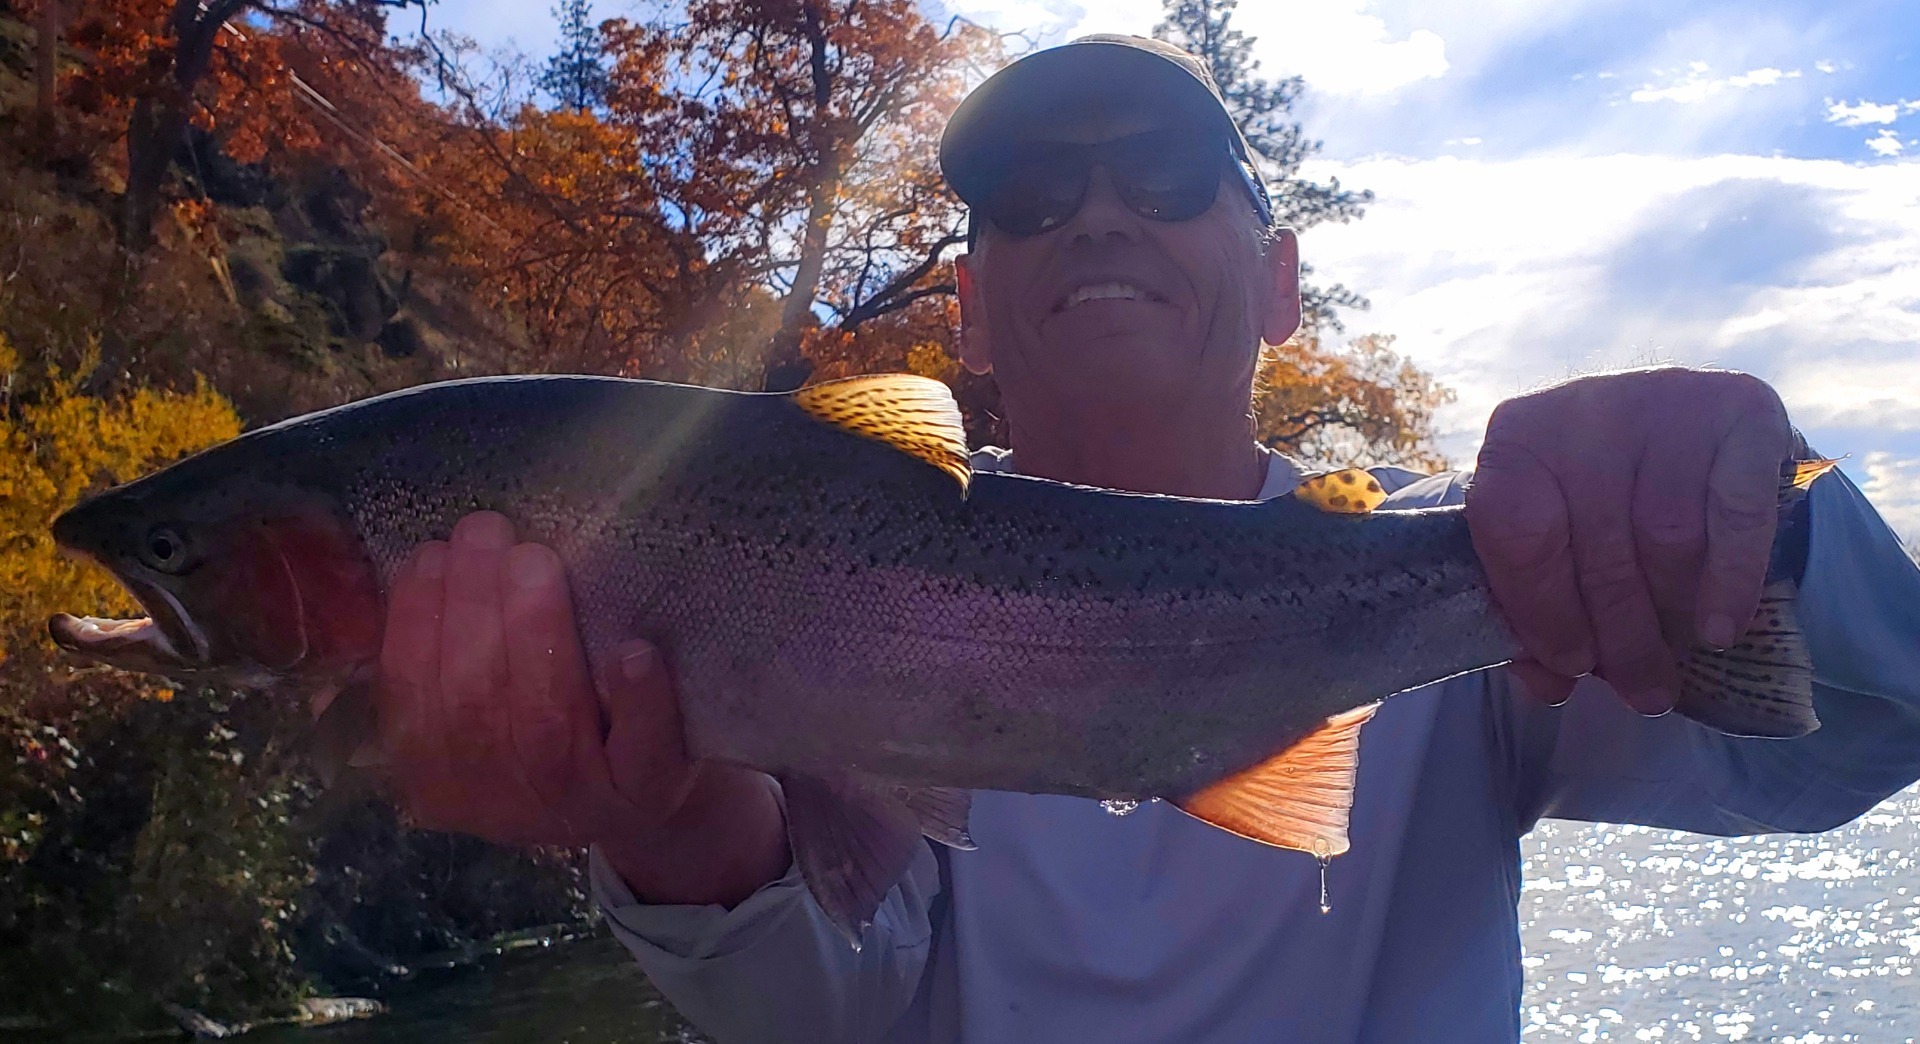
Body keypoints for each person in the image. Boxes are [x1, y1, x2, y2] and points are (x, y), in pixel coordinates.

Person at [370, 36, 1920, 1043]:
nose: (1098, 217)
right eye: (1033, 197)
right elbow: (833, 1015)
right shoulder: (809, 577)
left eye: (1169, 180)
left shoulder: (1484, 556)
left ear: (1283, 279)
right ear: (967, 312)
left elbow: (1871, 725)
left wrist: (1759, 517)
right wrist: (666, 832)